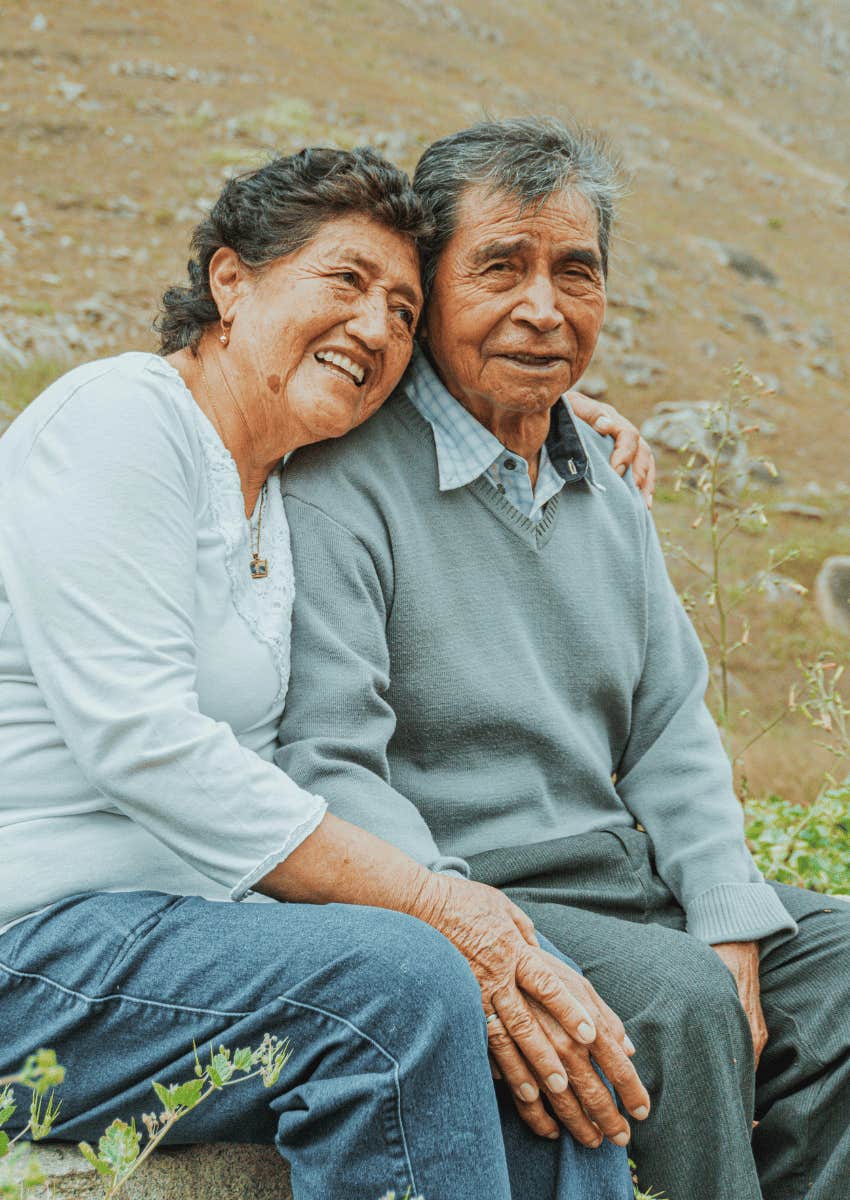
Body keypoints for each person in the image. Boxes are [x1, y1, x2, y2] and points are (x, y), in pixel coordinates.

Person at [0, 145, 653, 1199]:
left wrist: (568, 420)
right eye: (344, 281)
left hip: (188, 942)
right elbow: (143, 742)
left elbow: (460, 424)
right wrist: (437, 904)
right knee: (398, 982)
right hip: (35, 947)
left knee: (534, 1018)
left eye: (403, 310)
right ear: (230, 280)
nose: (375, 328)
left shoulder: (279, 483)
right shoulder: (120, 419)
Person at [276, 118, 850, 1200]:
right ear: (428, 289)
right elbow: (331, 761)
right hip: (469, 889)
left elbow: (672, 726)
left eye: (574, 272)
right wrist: (470, 926)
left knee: (839, 966)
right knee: (679, 1004)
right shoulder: (339, 485)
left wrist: (730, 918)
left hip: (618, 877)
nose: (543, 306)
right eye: (500, 266)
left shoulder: (601, 480)